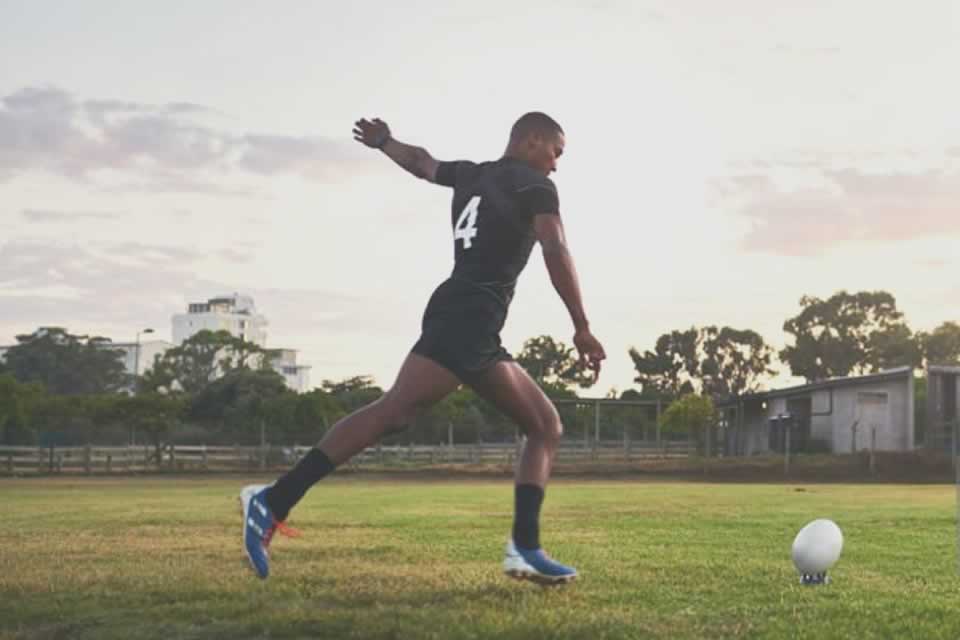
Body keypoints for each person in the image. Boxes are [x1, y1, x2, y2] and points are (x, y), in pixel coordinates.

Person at [242, 111, 606, 585]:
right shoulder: (534, 185)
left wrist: (385, 142)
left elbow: (422, 163)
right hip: (471, 317)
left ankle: (273, 500)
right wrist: (581, 325)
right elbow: (555, 248)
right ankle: (524, 547)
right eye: (556, 153)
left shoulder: (472, 174)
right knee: (544, 425)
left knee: (393, 412)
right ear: (533, 141)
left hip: (454, 308)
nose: (556, 165)